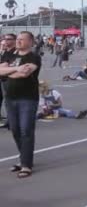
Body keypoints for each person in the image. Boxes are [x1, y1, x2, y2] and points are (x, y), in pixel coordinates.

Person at [0, 31, 41, 178]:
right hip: (10, 98)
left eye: (22, 39)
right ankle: (24, 157)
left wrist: (8, 72)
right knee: (15, 130)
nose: (18, 41)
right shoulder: (10, 55)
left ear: (30, 42)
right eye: (17, 39)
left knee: (26, 131)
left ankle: (26, 165)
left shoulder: (34, 57)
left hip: (27, 99)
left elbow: (25, 74)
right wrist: (16, 68)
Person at [0, 34, 17, 129]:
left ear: (14, 40)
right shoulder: (6, 51)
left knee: (10, 101)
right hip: (3, 78)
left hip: (9, 79)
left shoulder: (15, 52)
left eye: (8, 39)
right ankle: (9, 120)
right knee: (6, 101)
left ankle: (12, 122)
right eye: (5, 39)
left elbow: (11, 66)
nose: (6, 41)